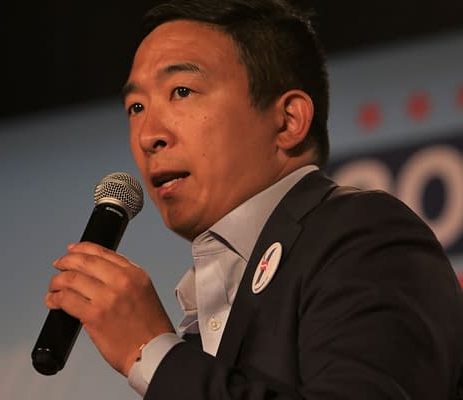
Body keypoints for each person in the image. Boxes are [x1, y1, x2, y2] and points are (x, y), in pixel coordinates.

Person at [44, 0, 463, 398]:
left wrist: (152, 352)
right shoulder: (206, 319)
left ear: (289, 120)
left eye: (182, 91)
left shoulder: (363, 235)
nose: (148, 134)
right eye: (135, 106)